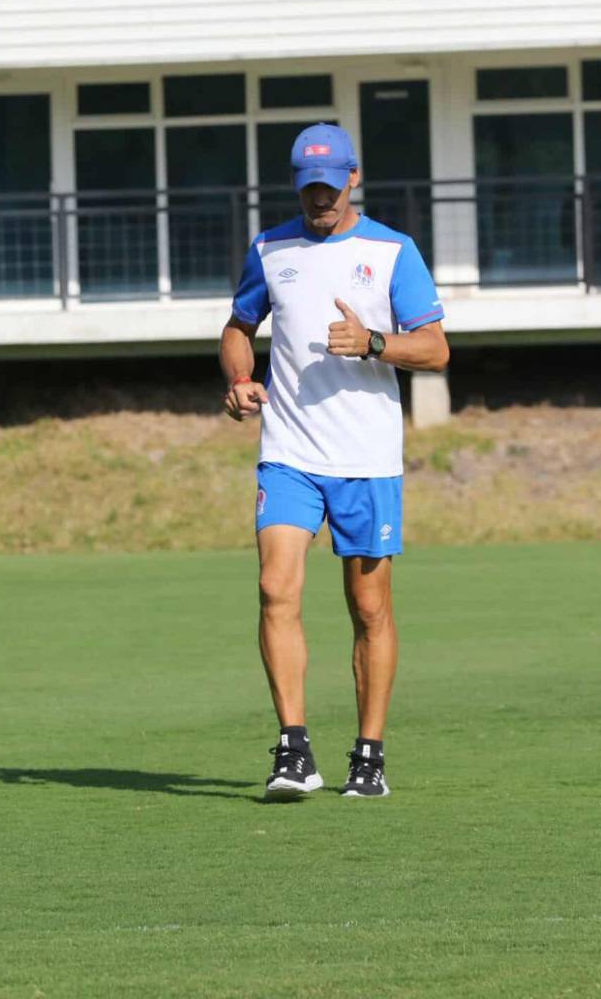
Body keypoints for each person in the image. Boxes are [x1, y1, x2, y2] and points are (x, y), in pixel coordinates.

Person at [219, 123, 449, 799]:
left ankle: (368, 756)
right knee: (273, 588)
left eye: (329, 186)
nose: (318, 199)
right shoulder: (270, 249)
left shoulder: (392, 252)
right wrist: (238, 380)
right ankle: (293, 751)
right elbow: (238, 327)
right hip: (288, 453)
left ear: (353, 178)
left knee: (368, 606)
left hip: (367, 459)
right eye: (307, 189)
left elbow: (435, 349)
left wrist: (375, 342)